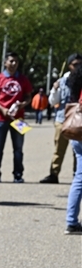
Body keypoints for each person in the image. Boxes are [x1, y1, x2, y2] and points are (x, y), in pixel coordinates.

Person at [0, 52, 32, 183]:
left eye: (16, 61)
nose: (13, 64)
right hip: (0, 118)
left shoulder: (23, 80)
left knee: (18, 149)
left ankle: (18, 174)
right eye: (11, 61)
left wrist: (23, 104)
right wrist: (2, 109)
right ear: (5, 63)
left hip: (18, 119)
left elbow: (29, 96)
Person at [40, 53, 81, 184]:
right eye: (75, 64)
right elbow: (53, 102)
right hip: (62, 119)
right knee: (59, 148)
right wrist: (54, 89)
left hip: (79, 120)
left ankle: (77, 173)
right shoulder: (62, 81)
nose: (78, 67)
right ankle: (54, 173)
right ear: (69, 66)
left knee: (78, 150)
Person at [63, 63, 82, 234]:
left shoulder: (76, 85)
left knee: (79, 178)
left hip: (77, 133)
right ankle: (71, 221)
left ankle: (71, 221)